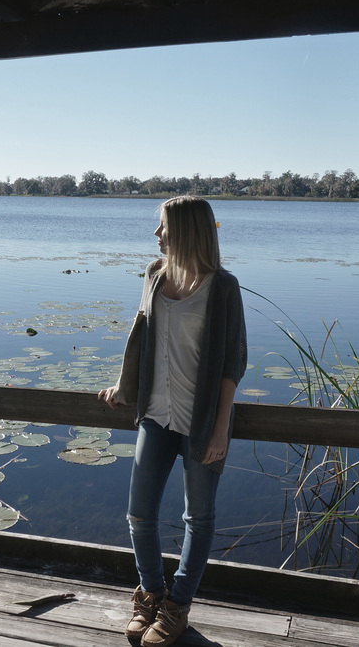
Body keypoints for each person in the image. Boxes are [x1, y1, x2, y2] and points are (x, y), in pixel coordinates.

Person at [99, 196, 247, 647]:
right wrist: (123, 387)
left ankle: (177, 607)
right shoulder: (154, 275)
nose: (156, 234)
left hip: (199, 420)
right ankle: (151, 594)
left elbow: (231, 364)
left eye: (162, 226)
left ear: (184, 231)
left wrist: (221, 428)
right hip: (155, 416)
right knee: (139, 515)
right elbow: (142, 336)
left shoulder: (222, 287)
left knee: (197, 518)